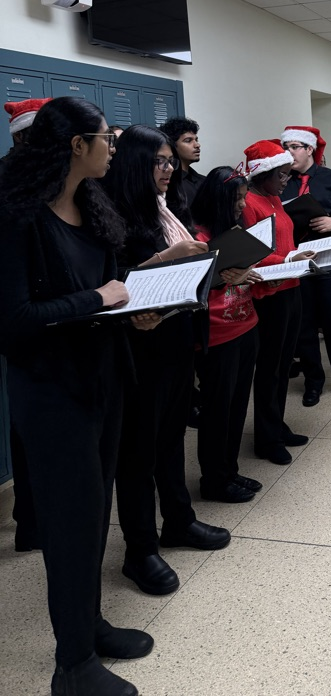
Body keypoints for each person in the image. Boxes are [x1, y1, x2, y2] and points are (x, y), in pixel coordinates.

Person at [0, 97, 155, 696]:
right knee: (69, 525)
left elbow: (109, 289)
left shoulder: (92, 204)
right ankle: (73, 666)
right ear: (75, 145)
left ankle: (88, 626)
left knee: (94, 515)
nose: (113, 147)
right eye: (106, 138)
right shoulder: (17, 217)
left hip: (102, 378)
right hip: (52, 393)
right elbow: (13, 320)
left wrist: (134, 310)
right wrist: (99, 300)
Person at [103, 125, 230, 597]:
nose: (169, 169)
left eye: (170, 161)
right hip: (141, 349)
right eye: (159, 162)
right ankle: (140, 550)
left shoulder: (167, 206)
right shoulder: (112, 213)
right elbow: (111, 280)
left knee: (172, 438)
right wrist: (166, 258)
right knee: (138, 452)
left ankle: (179, 520)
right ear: (135, 164)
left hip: (176, 337)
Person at [190, 167, 265, 500]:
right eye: (236, 199)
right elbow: (193, 289)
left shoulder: (233, 231)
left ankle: (229, 470)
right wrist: (225, 277)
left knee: (236, 407)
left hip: (246, 324)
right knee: (217, 410)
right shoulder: (198, 238)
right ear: (218, 200)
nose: (242, 205)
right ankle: (214, 480)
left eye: (244, 197)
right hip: (218, 334)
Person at [242, 140, 316, 464]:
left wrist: (297, 254)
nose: (287, 179)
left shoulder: (273, 198)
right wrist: (288, 258)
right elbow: (253, 253)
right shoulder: (249, 203)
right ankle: (266, 438)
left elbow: (283, 240)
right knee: (270, 368)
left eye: (288, 173)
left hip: (290, 285)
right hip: (269, 294)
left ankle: (277, 424)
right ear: (264, 173)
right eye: (282, 174)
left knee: (284, 365)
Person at [2, 97, 52, 554]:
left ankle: (36, 518)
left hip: (55, 317)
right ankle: (30, 521)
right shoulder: (12, 183)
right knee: (28, 429)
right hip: (28, 320)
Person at [280, 125, 331, 406]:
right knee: (304, 325)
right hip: (297, 262)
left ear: (309, 149)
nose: (288, 152)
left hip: (330, 261)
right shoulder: (281, 181)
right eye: (285, 147)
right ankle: (313, 382)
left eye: (294, 147)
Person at [161, 116, 204, 207]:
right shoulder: (167, 183)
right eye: (188, 141)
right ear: (172, 146)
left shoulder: (203, 180)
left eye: (196, 140)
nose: (197, 145)